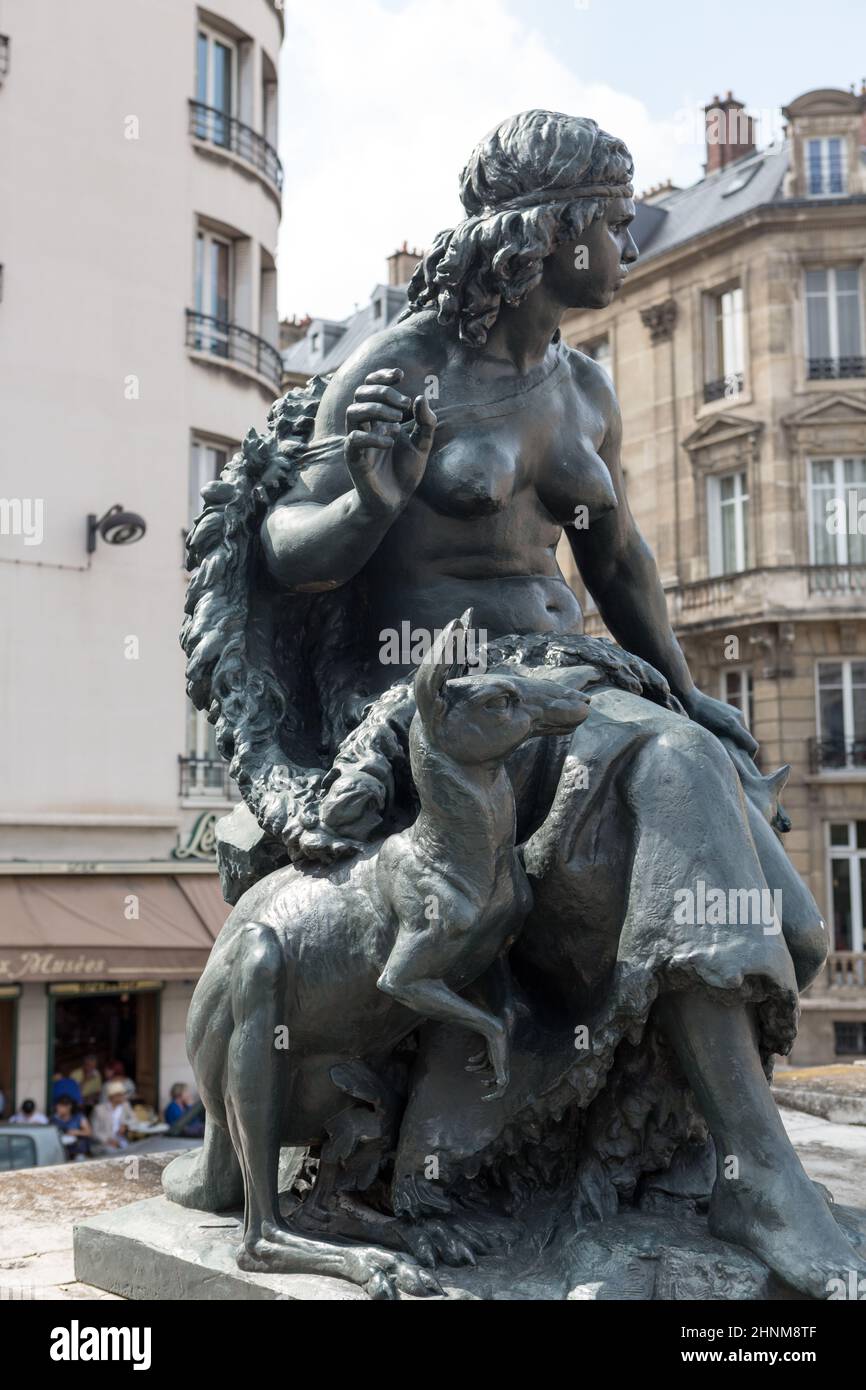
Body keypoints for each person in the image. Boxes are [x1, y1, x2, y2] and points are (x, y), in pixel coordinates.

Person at [180, 109, 864, 1299]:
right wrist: (367, 500)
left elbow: (620, 567)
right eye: (606, 218)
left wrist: (694, 693)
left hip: (570, 676)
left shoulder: (586, 389)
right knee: (664, 770)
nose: (627, 236)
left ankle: (712, 1145)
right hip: (425, 686)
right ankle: (755, 1165)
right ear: (536, 234)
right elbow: (285, 549)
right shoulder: (398, 364)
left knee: (683, 751)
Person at [90, 1080, 135, 1154]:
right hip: (104, 1143)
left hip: (121, 1141)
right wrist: (108, 1140)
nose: (123, 1097)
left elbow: (134, 1120)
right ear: (113, 1096)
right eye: (121, 1095)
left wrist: (125, 1125)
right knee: (112, 1152)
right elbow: (94, 1132)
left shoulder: (125, 1105)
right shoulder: (99, 1110)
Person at [52, 1096, 92, 1161]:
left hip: (77, 1151)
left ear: (68, 1106)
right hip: (61, 1150)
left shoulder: (78, 1117)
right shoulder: (55, 1119)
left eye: (61, 1107)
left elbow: (89, 1132)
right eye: (57, 1107)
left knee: (80, 1159)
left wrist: (77, 1132)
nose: (58, 1109)